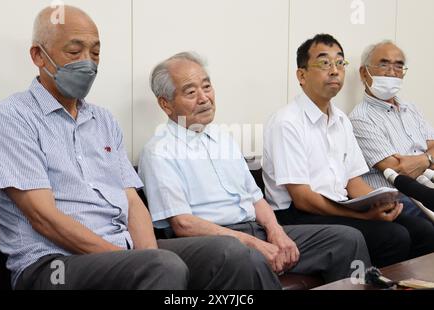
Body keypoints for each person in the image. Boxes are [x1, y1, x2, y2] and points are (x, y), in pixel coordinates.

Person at [0, 5, 278, 290]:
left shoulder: (103, 120)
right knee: (161, 267)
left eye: (95, 53)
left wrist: (148, 254)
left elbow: (132, 200)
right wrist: (138, 260)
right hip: (52, 266)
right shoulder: (10, 118)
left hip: (123, 250)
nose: (88, 62)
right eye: (75, 52)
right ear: (38, 55)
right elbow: (43, 218)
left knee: (231, 253)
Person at [138, 51, 371, 284]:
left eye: (207, 87)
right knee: (245, 256)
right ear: (165, 104)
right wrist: (252, 243)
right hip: (215, 243)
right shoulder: (159, 150)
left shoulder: (223, 138)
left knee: (346, 239)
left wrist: (276, 232)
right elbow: (183, 224)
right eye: (190, 92)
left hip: (254, 230)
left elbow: (256, 199)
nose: (204, 98)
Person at [263, 33, 434, 268]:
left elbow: (353, 181)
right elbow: (302, 198)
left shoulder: (341, 120)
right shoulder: (286, 122)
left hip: (339, 204)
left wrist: (380, 203)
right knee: (393, 237)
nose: (334, 70)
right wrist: (362, 216)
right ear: (301, 75)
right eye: (324, 63)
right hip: (297, 215)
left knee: (422, 229)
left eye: (340, 63)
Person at [349, 40, 434, 218]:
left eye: (398, 66)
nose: (392, 72)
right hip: (399, 198)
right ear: (364, 73)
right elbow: (399, 170)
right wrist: (428, 157)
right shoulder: (360, 118)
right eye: (384, 64)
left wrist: (424, 159)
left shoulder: (411, 109)